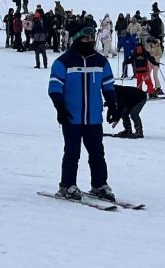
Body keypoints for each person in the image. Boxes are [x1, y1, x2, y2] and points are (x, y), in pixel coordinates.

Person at [48, 25, 119, 201]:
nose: (89, 42)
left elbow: (108, 85)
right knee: (72, 152)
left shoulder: (100, 61)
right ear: (77, 39)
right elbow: (55, 88)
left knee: (97, 153)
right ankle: (67, 185)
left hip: (93, 117)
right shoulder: (63, 62)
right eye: (85, 39)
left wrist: (112, 104)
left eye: (91, 39)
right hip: (72, 117)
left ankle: (99, 184)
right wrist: (60, 108)